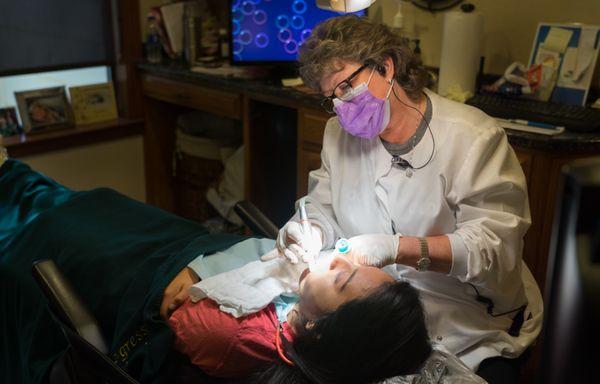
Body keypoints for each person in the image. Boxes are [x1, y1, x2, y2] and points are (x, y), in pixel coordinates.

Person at [268, 15, 543, 384]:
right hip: (379, 324)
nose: (340, 106)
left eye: (347, 86)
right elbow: (324, 205)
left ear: (386, 66)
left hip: (468, 320)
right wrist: (309, 228)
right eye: (331, 97)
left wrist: (398, 248)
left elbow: (494, 250)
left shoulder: (473, 137)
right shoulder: (338, 134)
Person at [0, 158, 431, 384]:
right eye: (353, 261)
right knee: (97, 201)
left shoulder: (236, 337)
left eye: (341, 276)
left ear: (319, 330)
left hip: (140, 271)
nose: (338, 257)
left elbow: (190, 313)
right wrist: (304, 236)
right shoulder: (307, 301)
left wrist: (201, 272)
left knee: (54, 224)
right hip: (183, 245)